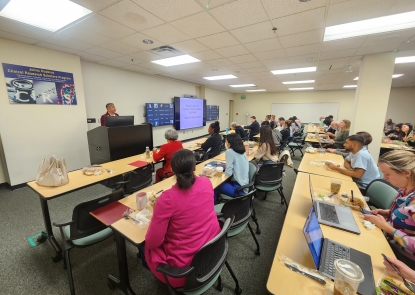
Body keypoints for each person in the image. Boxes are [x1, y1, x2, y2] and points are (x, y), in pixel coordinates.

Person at [144, 149, 221, 288]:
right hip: (213, 251)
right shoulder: (206, 182)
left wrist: (158, 211)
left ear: (172, 170)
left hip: (184, 271)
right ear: (195, 167)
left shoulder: (167, 199)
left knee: (146, 246)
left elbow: (152, 242)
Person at [363, 150, 415, 267]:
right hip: (388, 243)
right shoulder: (404, 190)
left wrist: (386, 227)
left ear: (406, 173)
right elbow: (408, 215)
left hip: (404, 259)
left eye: (387, 174)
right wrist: (388, 213)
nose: (385, 178)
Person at [215, 133, 249, 201]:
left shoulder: (229, 151)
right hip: (245, 185)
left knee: (215, 185)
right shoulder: (242, 151)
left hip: (239, 190)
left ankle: (212, 208)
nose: (225, 143)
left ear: (230, 143)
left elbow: (228, 173)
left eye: (226, 141)